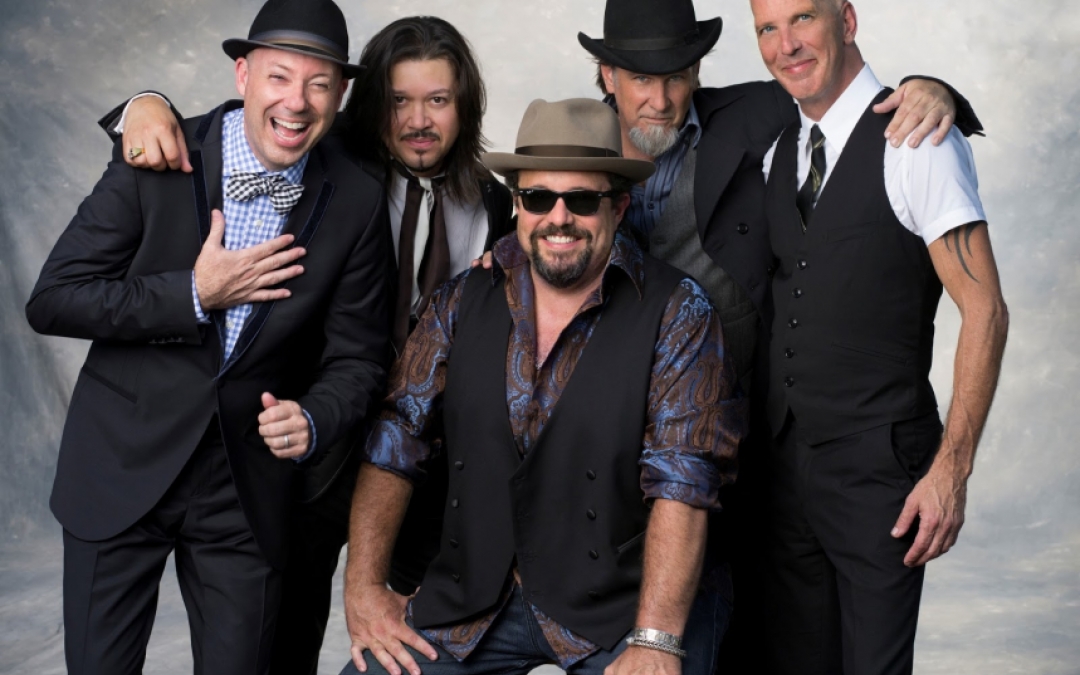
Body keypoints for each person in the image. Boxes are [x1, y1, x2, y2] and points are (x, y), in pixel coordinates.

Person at [99, 16, 515, 674]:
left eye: (438, 100)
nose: (419, 121)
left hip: (424, 459)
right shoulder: (324, 166)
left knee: (423, 638)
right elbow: (250, 121)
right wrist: (144, 104)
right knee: (283, 638)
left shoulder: (490, 201)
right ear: (369, 102)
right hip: (312, 445)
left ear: (464, 105)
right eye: (400, 101)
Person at [576, 0, 982, 665]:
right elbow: (531, 228)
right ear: (606, 76)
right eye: (639, 77)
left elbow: (845, 93)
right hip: (616, 442)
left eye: (676, 75)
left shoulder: (754, 114)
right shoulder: (573, 146)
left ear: (697, 70)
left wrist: (935, 93)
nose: (660, 98)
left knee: (754, 638)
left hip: (744, 437)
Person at [24, 0, 392, 672]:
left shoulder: (358, 200)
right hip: (122, 463)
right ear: (243, 74)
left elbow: (359, 358)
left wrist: (314, 416)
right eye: (279, 77)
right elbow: (53, 300)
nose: (297, 102)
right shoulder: (157, 154)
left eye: (319, 84)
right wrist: (193, 295)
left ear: (341, 95)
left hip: (245, 489)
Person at [340, 98, 746, 675]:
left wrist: (656, 639)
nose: (559, 218)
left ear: (619, 206)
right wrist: (363, 587)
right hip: (478, 596)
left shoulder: (680, 314)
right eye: (537, 198)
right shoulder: (459, 301)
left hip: (627, 605)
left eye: (581, 199)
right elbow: (394, 440)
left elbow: (684, 480)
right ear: (516, 204)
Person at [751, 0, 1009, 673]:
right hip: (786, 472)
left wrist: (952, 470)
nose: (786, 44)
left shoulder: (919, 140)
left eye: (802, 19)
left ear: (846, 20)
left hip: (878, 467)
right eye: (768, 28)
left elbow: (986, 310)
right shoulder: (778, 154)